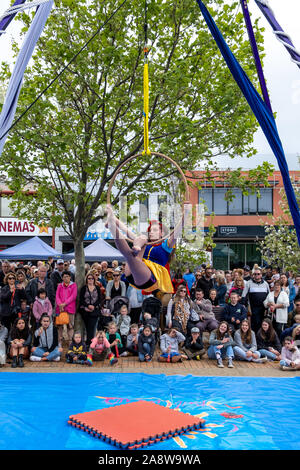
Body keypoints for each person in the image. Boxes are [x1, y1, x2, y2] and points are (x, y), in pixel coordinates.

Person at [106, 205, 179, 296]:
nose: (151, 232)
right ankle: (112, 227)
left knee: (131, 254)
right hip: (132, 271)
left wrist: (186, 215)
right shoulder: (144, 242)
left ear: (162, 233)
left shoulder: (165, 246)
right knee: (138, 243)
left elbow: (176, 233)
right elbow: (126, 230)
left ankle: (115, 230)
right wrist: (112, 217)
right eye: (150, 230)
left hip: (149, 277)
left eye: (155, 230)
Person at [79, 272, 104, 347]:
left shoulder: (97, 288)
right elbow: (81, 299)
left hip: (94, 311)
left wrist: (93, 305)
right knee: (87, 328)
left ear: (94, 279)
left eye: (92, 278)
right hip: (85, 311)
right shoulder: (84, 288)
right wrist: (88, 305)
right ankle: (88, 343)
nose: (90, 280)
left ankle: (89, 344)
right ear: (86, 279)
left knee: (92, 328)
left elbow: (100, 299)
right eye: (89, 278)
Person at [241, 267, 270, 333]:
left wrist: (267, 308)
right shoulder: (249, 283)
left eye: (258, 274)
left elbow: (269, 296)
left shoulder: (265, 284)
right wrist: (245, 307)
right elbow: (244, 296)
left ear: (261, 275)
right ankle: (255, 340)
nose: (256, 275)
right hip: (253, 308)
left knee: (264, 324)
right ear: (253, 275)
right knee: (255, 324)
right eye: (255, 274)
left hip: (263, 308)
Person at [55, 270, 77, 344]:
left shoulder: (73, 285)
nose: (66, 278)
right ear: (62, 278)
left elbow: (73, 296)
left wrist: (65, 303)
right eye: (64, 277)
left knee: (70, 325)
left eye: (67, 276)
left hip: (70, 308)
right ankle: (59, 341)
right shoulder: (59, 286)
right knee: (59, 325)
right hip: (60, 309)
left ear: (70, 277)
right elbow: (57, 296)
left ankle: (71, 341)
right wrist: (60, 304)